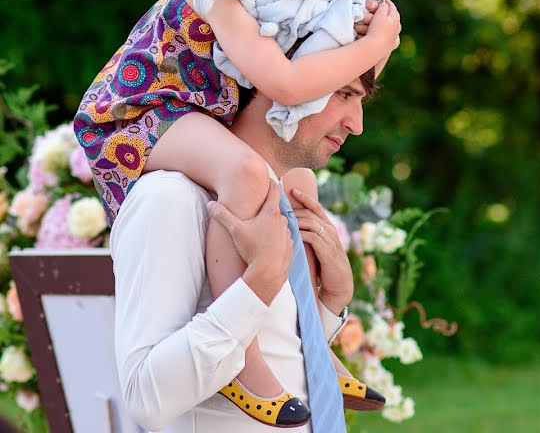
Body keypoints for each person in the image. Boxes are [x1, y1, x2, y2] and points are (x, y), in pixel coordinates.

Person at [74, 0, 398, 427]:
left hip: (191, 114)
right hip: (137, 115)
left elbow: (320, 56)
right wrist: (377, 45)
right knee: (247, 177)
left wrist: (328, 307)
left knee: (295, 184)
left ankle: (308, 357)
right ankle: (242, 368)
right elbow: (286, 83)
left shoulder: (285, 4)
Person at [113, 68, 381, 431]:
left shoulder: (288, 194)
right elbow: (144, 398)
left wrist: (330, 303)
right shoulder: (171, 198)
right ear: (279, 79)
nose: (357, 124)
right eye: (344, 95)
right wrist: (259, 283)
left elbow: (282, 359)